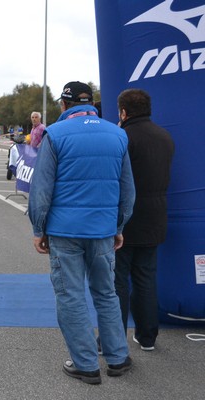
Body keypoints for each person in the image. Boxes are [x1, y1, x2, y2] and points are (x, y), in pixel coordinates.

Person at [28, 81, 135, 385]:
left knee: (71, 296)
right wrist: (119, 226)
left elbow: (41, 189)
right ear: (92, 104)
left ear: (63, 105)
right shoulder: (117, 134)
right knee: (106, 293)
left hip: (64, 232)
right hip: (102, 230)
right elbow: (127, 189)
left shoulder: (56, 134)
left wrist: (39, 228)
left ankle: (86, 364)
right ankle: (117, 357)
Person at [114, 88, 175, 351]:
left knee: (117, 281)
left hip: (126, 219)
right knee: (146, 278)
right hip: (156, 216)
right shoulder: (165, 137)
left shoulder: (122, 137)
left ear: (124, 112)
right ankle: (147, 336)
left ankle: (113, 338)